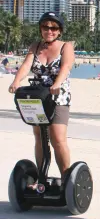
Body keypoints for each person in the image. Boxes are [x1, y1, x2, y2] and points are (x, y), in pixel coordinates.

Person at [8, 12, 75, 182]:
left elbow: (66, 66)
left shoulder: (66, 46)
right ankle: (41, 177)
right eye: (45, 27)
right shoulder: (35, 47)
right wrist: (16, 81)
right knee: (39, 137)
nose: (49, 30)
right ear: (40, 29)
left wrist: (57, 83)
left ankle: (66, 179)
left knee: (57, 138)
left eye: (53, 27)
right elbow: (26, 66)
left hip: (58, 97)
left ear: (59, 31)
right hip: (38, 97)